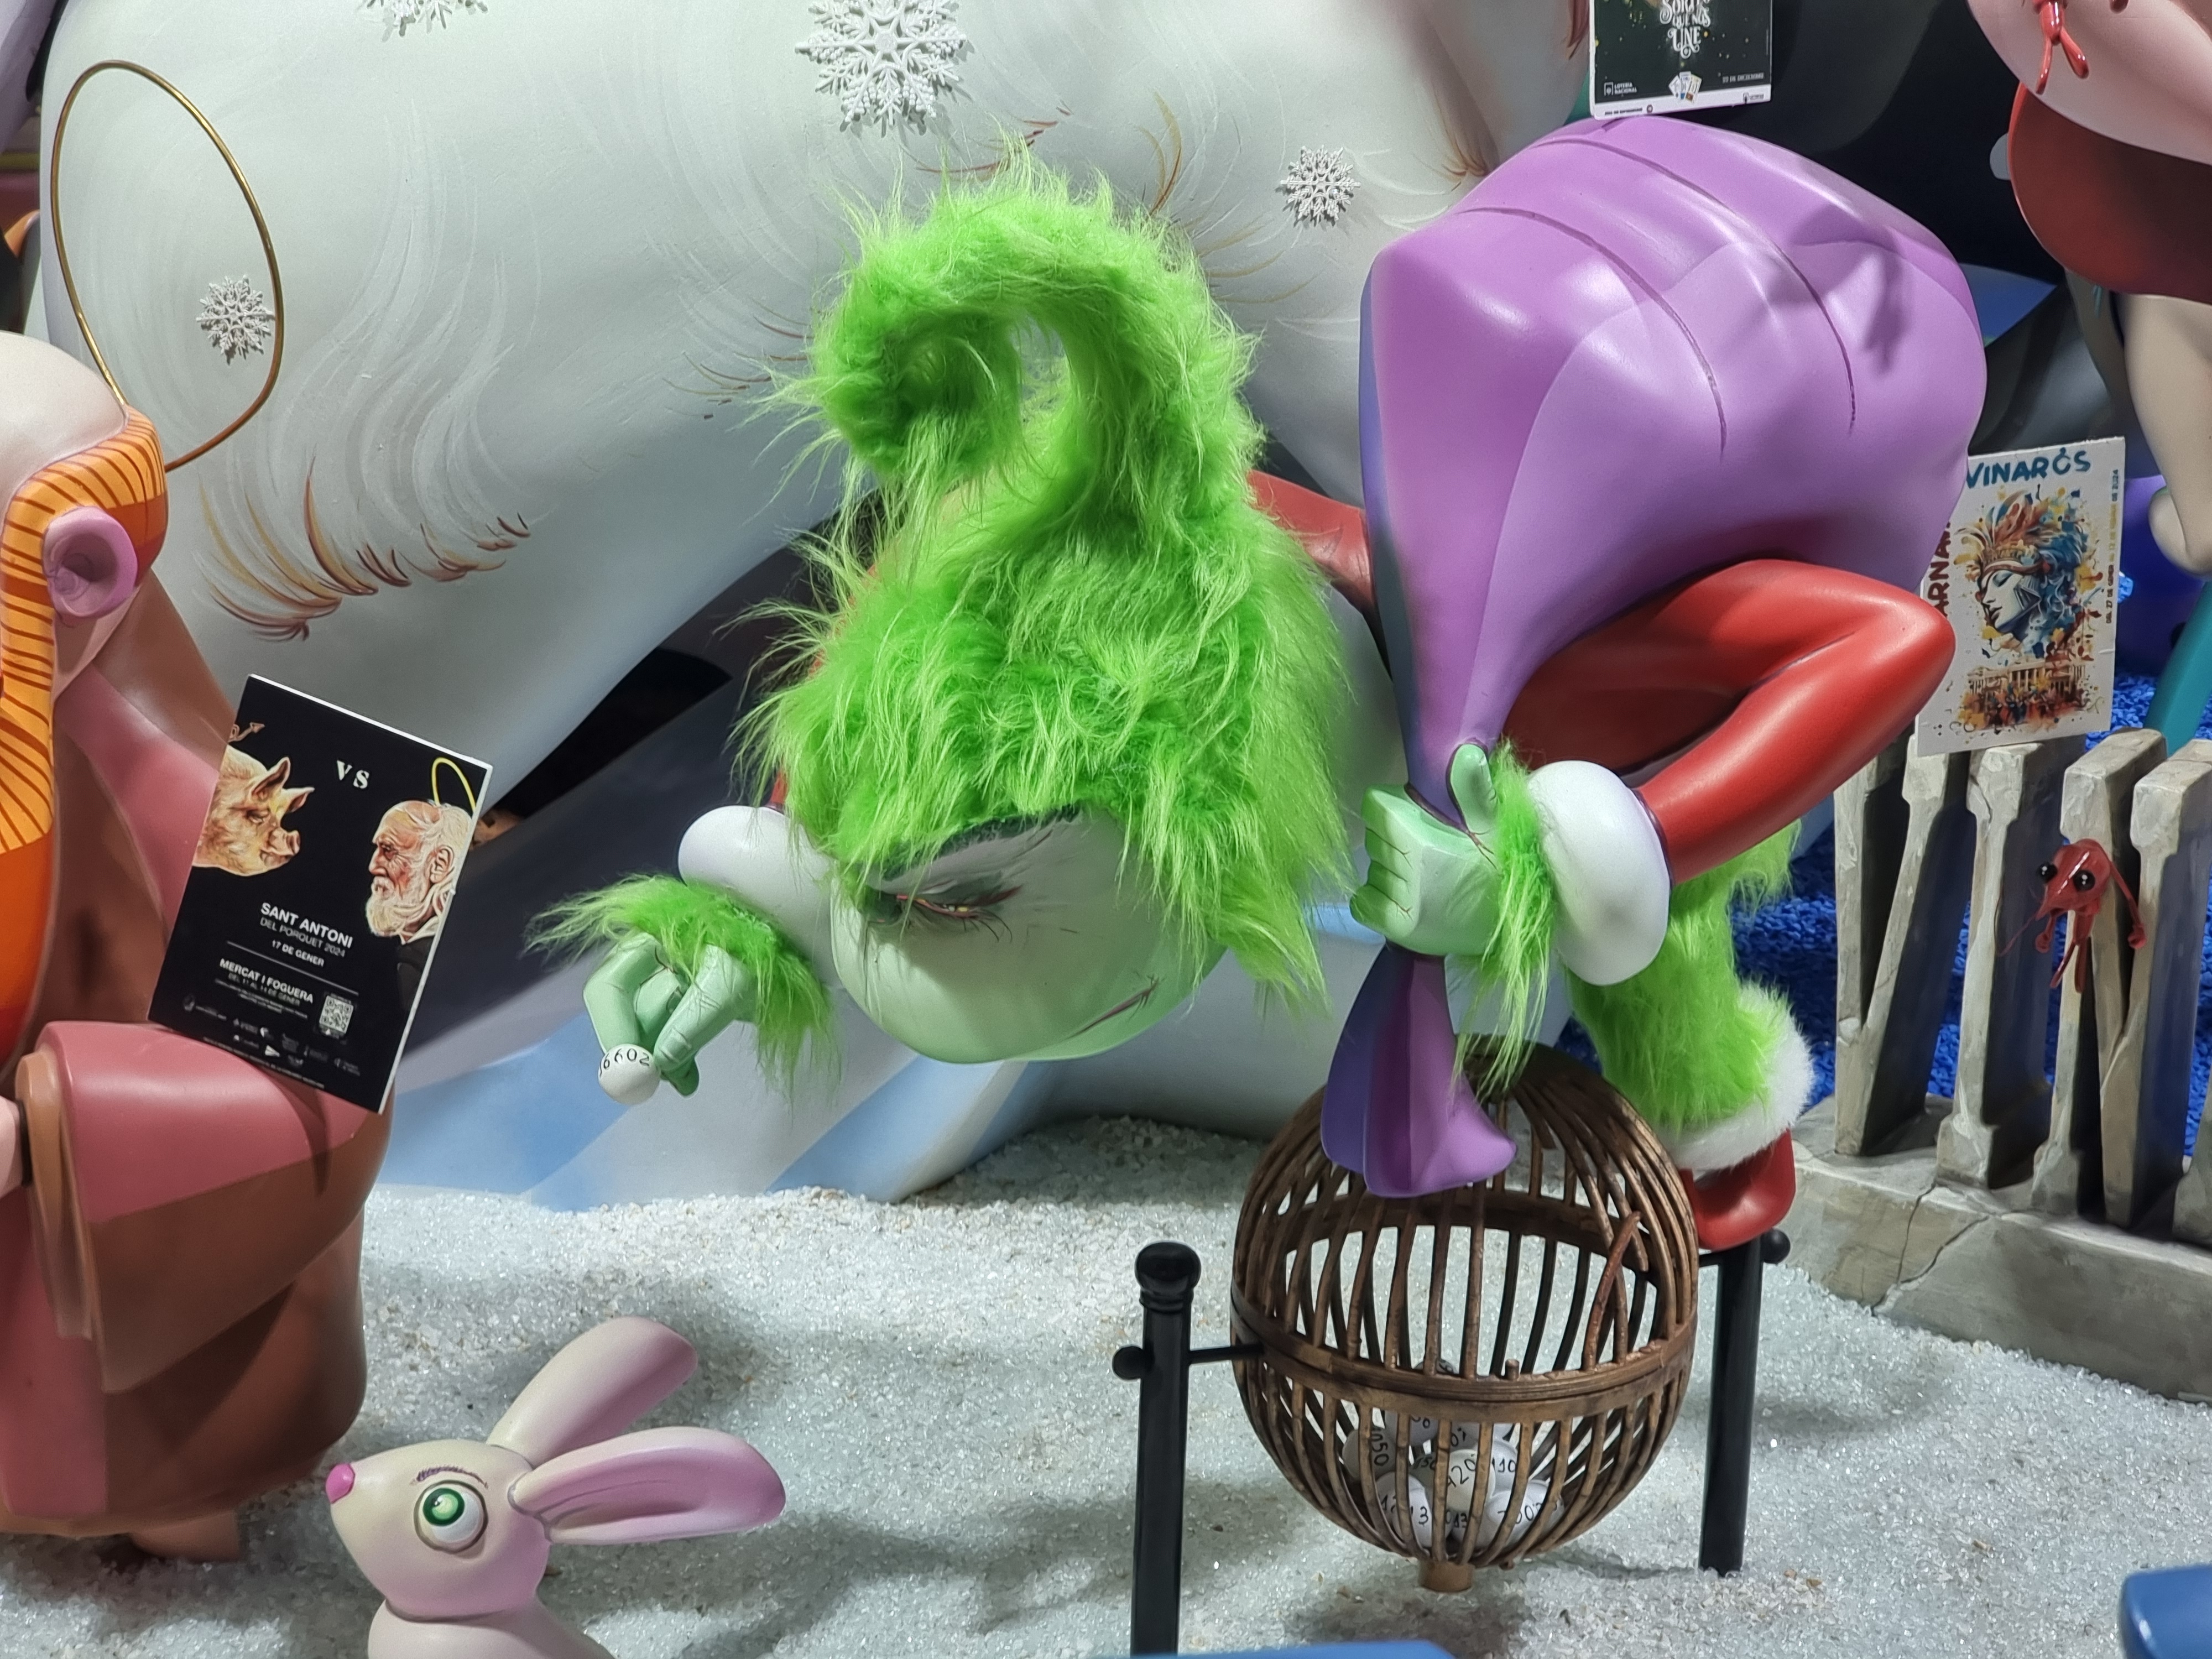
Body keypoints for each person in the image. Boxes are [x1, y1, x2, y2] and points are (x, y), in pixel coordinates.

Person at [0, 332, 385, 1560]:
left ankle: (178, 1510)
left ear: (83, 570)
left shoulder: (289, 808)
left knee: (177, 1507)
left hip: (110, 1314)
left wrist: (51, 1127)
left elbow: (328, 1086)